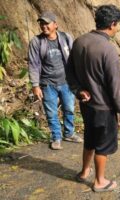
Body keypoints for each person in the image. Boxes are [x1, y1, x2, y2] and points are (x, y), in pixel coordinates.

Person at [66, 4, 120, 192]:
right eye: (118, 25)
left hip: (87, 105)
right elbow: (115, 85)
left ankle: (84, 171)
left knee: (90, 138)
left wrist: (78, 90)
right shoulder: (107, 49)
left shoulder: (79, 41)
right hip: (104, 107)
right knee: (103, 144)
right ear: (112, 23)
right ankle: (100, 181)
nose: (117, 29)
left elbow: (69, 71)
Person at [28, 11, 83, 150]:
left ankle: (69, 133)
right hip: (47, 84)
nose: (43, 26)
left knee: (69, 109)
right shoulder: (36, 42)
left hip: (66, 82)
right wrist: (35, 85)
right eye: (41, 23)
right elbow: (33, 64)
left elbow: (75, 57)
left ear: (55, 24)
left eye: (46, 23)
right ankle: (56, 137)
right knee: (51, 113)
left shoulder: (66, 38)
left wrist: (79, 78)